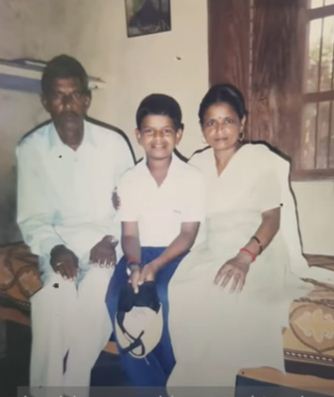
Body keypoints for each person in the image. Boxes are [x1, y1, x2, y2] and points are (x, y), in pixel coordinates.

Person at [167, 83, 334, 388]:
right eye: (211, 122)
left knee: (224, 290)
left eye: (228, 120)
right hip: (212, 248)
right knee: (181, 287)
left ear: (242, 123)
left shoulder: (259, 158)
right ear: (202, 128)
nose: (219, 129)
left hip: (258, 249)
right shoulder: (197, 164)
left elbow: (272, 218)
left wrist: (244, 258)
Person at [16, 54, 134, 389]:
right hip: (59, 246)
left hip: (104, 244)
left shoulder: (113, 144)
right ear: (45, 101)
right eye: (58, 95)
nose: (67, 104)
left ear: (86, 99)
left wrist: (111, 239)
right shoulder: (32, 149)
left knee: (98, 290)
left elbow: (131, 205)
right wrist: (54, 248)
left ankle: (73, 383)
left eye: (74, 95)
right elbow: (32, 216)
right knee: (56, 297)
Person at [106, 93, 205, 386]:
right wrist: (136, 264)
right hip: (139, 253)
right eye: (150, 131)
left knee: (162, 296)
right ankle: (149, 386)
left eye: (166, 131)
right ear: (138, 135)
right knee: (117, 298)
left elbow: (188, 235)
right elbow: (129, 233)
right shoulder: (129, 179)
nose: (158, 138)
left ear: (179, 134)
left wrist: (156, 267)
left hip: (176, 254)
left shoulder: (192, 177)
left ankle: (176, 380)